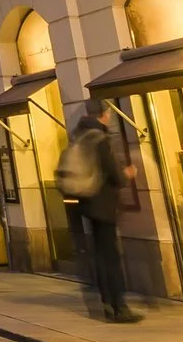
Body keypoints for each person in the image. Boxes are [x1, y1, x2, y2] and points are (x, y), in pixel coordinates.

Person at [57, 102, 138, 322]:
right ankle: (119, 307)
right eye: (109, 114)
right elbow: (114, 174)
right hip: (103, 205)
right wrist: (127, 174)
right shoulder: (100, 140)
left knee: (100, 255)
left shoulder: (79, 137)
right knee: (110, 256)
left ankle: (105, 304)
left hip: (87, 203)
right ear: (104, 115)